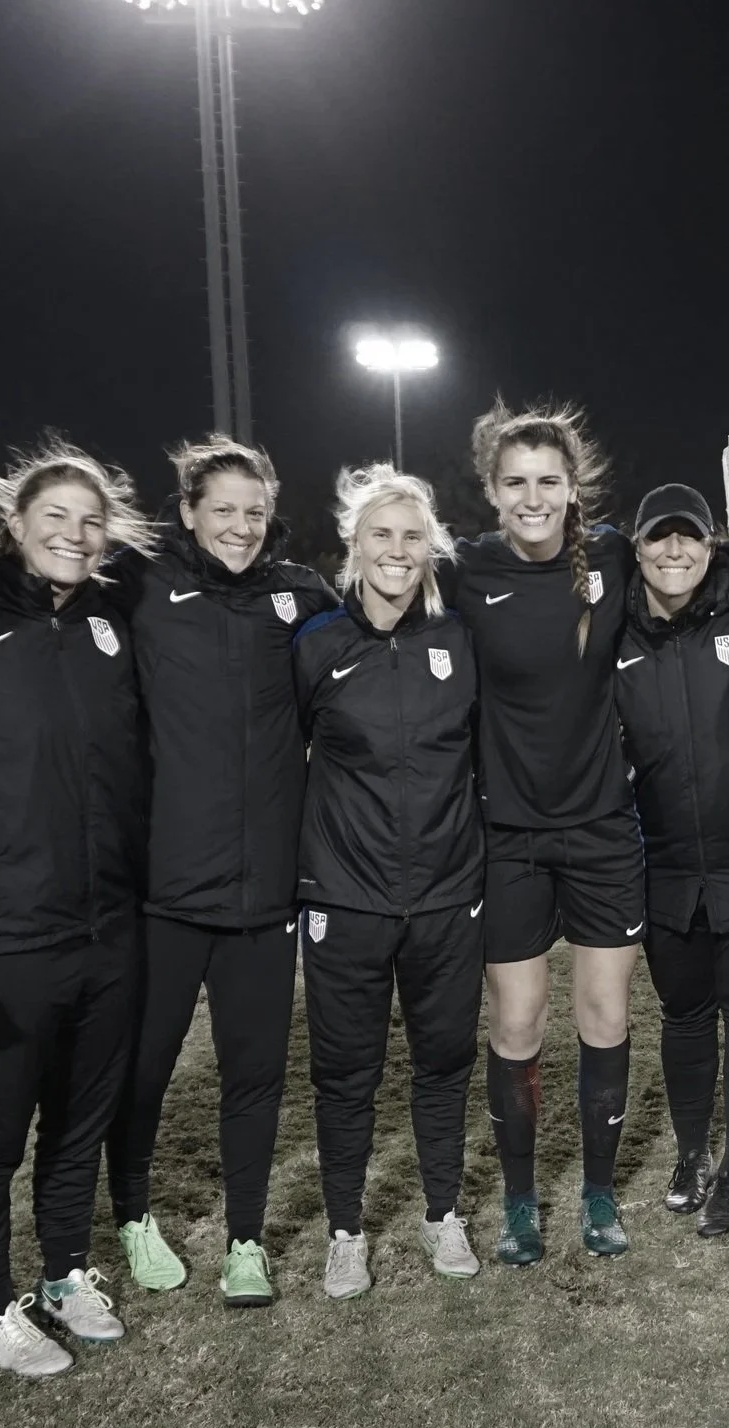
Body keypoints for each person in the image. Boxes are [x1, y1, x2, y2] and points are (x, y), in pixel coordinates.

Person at [103, 438, 338, 1306]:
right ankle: (133, 1215)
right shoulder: (139, 584)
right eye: (224, 510)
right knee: (143, 1071)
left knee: (255, 1077)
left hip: (265, 894)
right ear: (189, 511)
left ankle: (247, 1240)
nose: (240, 526)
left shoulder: (301, 596)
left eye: (255, 511)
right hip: (164, 891)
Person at [449, 400, 644, 1264]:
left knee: (603, 1012)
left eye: (549, 482)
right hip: (508, 834)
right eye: (516, 483)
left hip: (602, 827)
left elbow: (709, 585)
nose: (533, 498)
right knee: (519, 1021)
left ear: (574, 489)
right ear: (492, 491)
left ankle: (599, 1193)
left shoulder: (611, 558)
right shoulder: (465, 569)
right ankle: (520, 1201)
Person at [292, 465, 484, 1296]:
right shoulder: (317, 644)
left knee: (444, 1061)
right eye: (382, 534)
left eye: (412, 536)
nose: (397, 550)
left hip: (447, 894)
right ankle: (346, 1230)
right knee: (346, 1075)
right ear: (355, 545)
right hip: (345, 896)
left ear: (430, 548)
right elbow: (286, 754)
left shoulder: (459, 641)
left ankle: (444, 1212)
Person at [614, 484, 729, 1236]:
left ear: (712, 546)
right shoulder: (612, 632)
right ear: (637, 547)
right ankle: (691, 1152)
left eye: (689, 537)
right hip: (663, 861)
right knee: (683, 1013)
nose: (674, 551)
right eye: (659, 537)